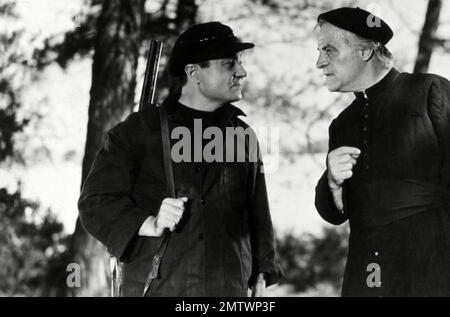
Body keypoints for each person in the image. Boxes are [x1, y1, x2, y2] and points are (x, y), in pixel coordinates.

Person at [78, 21, 281, 297]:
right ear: (194, 72)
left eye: (239, 63)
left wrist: (261, 271)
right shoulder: (138, 131)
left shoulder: (243, 135)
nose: (242, 72)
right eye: (228, 63)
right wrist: (149, 222)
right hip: (160, 289)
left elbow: (258, 213)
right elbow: (95, 203)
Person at [314, 7, 450, 296]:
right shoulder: (342, 124)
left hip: (432, 270)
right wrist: (334, 184)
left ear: (365, 52)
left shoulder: (429, 91)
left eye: (329, 50)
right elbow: (334, 215)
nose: (319, 63)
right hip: (366, 275)